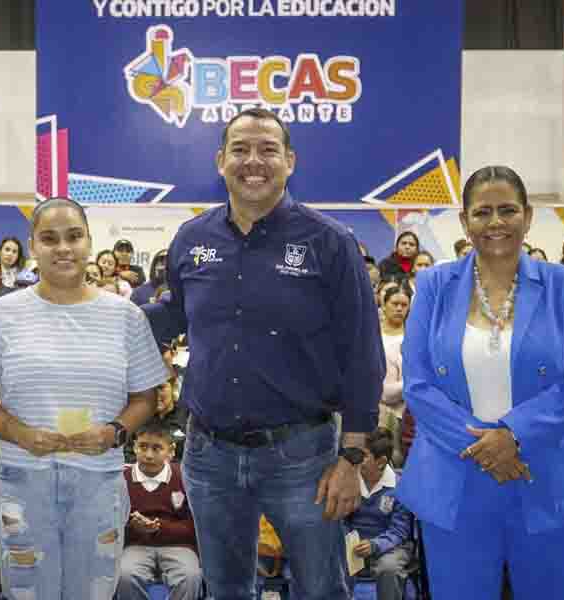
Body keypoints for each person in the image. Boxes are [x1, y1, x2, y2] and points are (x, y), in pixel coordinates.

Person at [143, 108, 385, 599]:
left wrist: (351, 457)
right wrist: (87, 307)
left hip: (303, 455)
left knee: (321, 589)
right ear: (220, 161)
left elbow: (363, 355)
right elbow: (171, 318)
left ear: (290, 161)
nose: (253, 161)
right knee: (227, 589)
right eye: (241, 149)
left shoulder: (330, 243)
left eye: (268, 149)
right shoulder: (192, 239)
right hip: (210, 455)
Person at [395, 165, 564, 599]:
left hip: (544, 473)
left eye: (508, 210)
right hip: (453, 477)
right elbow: (417, 383)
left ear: (527, 217)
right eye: (483, 212)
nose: (495, 222)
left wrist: (514, 436)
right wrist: (486, 447)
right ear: (465, 221)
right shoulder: (434, 285)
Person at [0, 196, 169, 599]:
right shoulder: (2, 314)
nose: (63, 248)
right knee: (27, 593)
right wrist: (20, 434)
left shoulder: (125, 316)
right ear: (33, 245)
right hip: (24, 481)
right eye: (49, 238)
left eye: (74, 236)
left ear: (89, 241)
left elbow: (146, 397)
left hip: (99, 481)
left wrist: (114, 432)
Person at [117, 421, 202, 600]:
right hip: (135, 545)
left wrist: (159, 528)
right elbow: (111, 524)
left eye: (157, 448)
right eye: (143, 447)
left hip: (178, 546)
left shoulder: (184, 477)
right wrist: (132, 526)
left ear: (171, 451)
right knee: (125, 575)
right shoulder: (121, 479)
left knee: (189, 577)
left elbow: (196, 526)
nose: (148, 455)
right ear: (134, 447)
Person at [346, 428, 413, 600]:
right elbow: (341, 520)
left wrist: (375, 545)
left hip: (390, 548)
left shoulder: (400, 487)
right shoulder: (349, 480)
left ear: (381, 461)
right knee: (331, 560)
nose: (358, 459)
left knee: (388, 568)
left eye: (365, 455)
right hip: (354, 547)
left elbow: (399, 531)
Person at [380, 285, 411, 457]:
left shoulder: (414, 338)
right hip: (377, 412)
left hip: (405, 414)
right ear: (384, 305)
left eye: (404, 305)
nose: (399, 308)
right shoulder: (372, 334)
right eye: (395, 303)